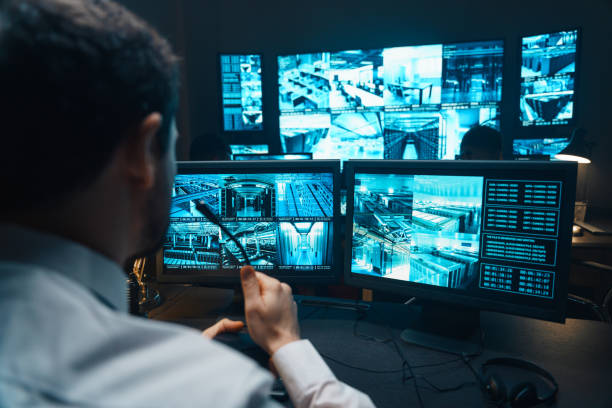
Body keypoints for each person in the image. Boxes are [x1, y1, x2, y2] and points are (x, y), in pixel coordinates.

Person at [0, 1, 374, 407]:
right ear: (142, 153)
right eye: (174, 147)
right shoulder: (219, 392)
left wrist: (173, 360)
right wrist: (286, 346)